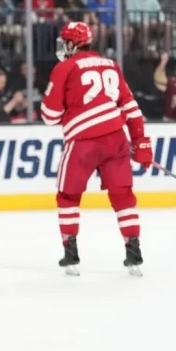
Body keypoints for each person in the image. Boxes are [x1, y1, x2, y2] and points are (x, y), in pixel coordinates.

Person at [40, 22, 152, 277]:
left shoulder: (64, 68)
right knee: (123, 195)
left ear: (72, 43)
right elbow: (131, 108)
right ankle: (134, 253)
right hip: (116, 139)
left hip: (82, 143)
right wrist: (141, 142)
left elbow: (49, 115)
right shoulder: (111, 65)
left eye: (64, 41)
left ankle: (71, 254)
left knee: (67, 196)